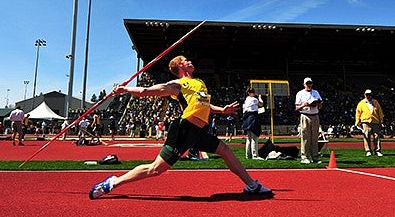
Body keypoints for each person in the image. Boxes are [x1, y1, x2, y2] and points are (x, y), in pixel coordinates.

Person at [89, 55, 273, 199]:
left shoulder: (200, 83)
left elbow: (204, 105)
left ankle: (251, 185)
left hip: (200, 132)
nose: (190, 61)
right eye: (186, 60)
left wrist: (222, 110)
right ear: (180, 66)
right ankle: (113, 183)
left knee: (225, 150)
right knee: (155, 169)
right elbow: (146, 91)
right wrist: (126, 89)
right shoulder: (178, 84)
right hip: (184, 130)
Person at [294, 77, 322, 164]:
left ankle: (315, 157)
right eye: (307, 84)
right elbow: (297, 108)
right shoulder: (300, 93)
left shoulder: (316, 92)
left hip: (315, 115)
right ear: (304, 84)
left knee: (314, 137)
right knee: (305, 137)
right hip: (305, 115)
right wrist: (303, 105)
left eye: (310, 83)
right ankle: (304, 156)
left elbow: (321, 105)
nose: (309, 85)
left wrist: (317, 104)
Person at [355, 89, 384, 156]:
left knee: (377, 136)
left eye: (369, 94)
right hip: (365, 121)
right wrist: (357, 121)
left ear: (371, 95)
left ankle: (377, 150)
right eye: (367, 94)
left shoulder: (376, 102)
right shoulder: (361, 103)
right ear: (364, 95)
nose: (368, 96)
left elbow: (380, 112)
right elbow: (358, 113)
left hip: (375, 121)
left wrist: (381, 121)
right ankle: (368, 151)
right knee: (366, 136)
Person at [241, 87, 264, 160]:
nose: (254, 93)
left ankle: (248, 155)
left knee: (249, 138)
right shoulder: (254, 99)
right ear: (249, 93)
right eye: (252, 92)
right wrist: (260, 97)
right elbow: (261, 104)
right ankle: (255, 155)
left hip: (246, 119)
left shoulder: (246, 100)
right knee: (254, 137)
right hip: (253, 118)